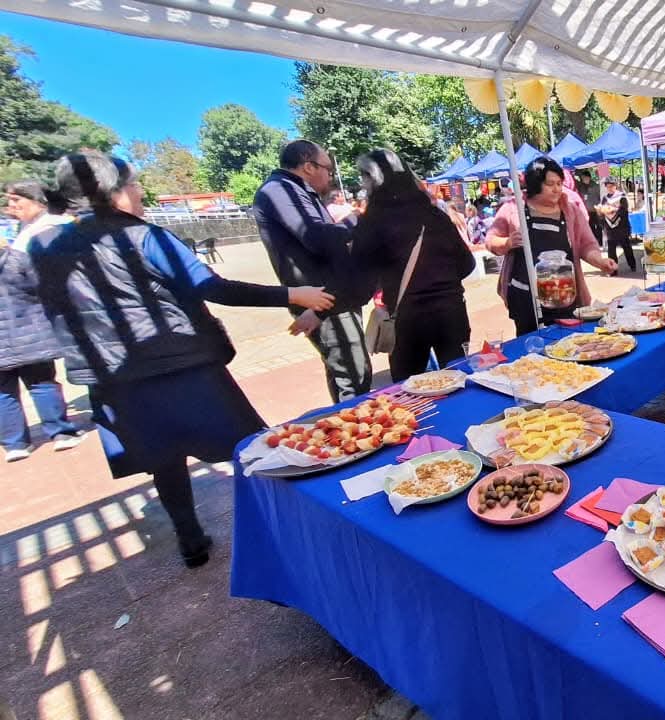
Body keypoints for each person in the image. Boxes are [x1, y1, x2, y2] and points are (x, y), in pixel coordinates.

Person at [28, 151, 334, 567]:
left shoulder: (43, 247)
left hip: (114, 378)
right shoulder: (145, 238)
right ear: (113, 192)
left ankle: (190, 541)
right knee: (259, 449)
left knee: (164, 460)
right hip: (181, 367)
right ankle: (303, 529)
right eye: (133, 184)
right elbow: (214, 287)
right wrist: (291, 294)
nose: (139, 193)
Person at [252, 139, 371, 403]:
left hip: (331, 298)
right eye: (328, 169)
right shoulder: (280, 191)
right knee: (353, 379)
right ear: (308, 166)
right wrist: (359, 218)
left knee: (350, 373)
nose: (330, 177)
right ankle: (359, 435)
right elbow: (319, 238)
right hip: (322, 300)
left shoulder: (294, 191)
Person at [352, 149, 476, 381]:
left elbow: (360, 280)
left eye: (363, 177)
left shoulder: (372, 221)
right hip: (451, 313)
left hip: (407, 319)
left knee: (410, 390)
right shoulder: (435, 215)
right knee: (460, 380)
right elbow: (466, 264)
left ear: (373, 179)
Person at [486, 157, 618, 335]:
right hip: (525, 297)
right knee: (531, 347)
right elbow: (491, 240)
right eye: (550, 184)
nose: (557, 189)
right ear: (535, 183)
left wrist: (600, 261)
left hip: (564, 294)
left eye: (559, 183)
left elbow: (586, 244)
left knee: (569, 342)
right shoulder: (513, 208)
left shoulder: (570, 209)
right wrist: (507, 243)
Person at [1, 180, 82, 461]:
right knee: (42, 382)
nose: (11, 209)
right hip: (30, 332)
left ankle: (14, 444)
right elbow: (40, 286)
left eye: (16, 202)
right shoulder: (16, 257)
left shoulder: (41, 232)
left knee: (3, 393)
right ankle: (60, 432)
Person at [600, 178, 636, 271]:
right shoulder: (605, 198)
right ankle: (613, 269)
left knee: (627, 247)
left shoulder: (621, 196)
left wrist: (613, 212)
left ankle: (632, 266)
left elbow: (624, 210)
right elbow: (603, 210)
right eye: (608, 186)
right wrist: (602, 212)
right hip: (610, 228)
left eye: (611, 186)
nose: (609, 188)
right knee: (611, 250)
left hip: (622, 226)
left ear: (615, 186)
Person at [576, 169, 605, 249]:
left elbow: (602, 196)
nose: (583, 179)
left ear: (589, 177)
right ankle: (594, 242)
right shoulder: (580, 186)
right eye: (582, 178)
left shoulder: (595, 186)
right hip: (586, 211)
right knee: (590, 227)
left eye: (585, 177)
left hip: (596, 210)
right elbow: (574, 178)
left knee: (599, 226)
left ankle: (601, 242)